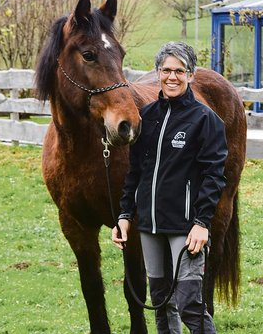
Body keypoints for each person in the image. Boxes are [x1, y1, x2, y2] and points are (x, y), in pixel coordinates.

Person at [112, 41, 227, 334]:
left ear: (190, 75)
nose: (172, 77)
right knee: (161, 304)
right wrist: (125, 215)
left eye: (179, 71)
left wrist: (202, 223)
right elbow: (135, 172)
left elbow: (214, 177)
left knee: (189, 304)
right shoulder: (146, 116)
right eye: (166, 70)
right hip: (149, 226)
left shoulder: (205, 120)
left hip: (186, 228)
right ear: (157, 73)